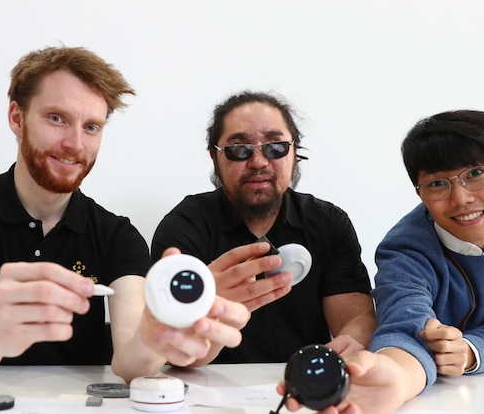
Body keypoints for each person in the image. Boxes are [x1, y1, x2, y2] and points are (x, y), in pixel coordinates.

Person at [0, 46, 249, 389]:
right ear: (16, 117)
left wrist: (153, 337)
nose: (74, 143)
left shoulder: (117, 235)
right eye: (57, 118)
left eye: (91, 127)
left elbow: (130, 364)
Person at [276, 109, 484, 413]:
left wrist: (469, 352)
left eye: (475, 173)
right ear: (419, 192)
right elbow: (404, 325)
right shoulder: (404, 247)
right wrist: (395, 378)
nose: (461, 199)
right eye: (437, 184)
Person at [151, 90, 376, 363]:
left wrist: (347, 346)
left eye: (275, 147)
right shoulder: (184, 227)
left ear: (294, 152)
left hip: (304, 386)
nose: (258, 162)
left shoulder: (328, 223)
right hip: (210, 390)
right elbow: (177, 346)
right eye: (238, 150)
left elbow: (355, 317)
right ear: (215, 158)